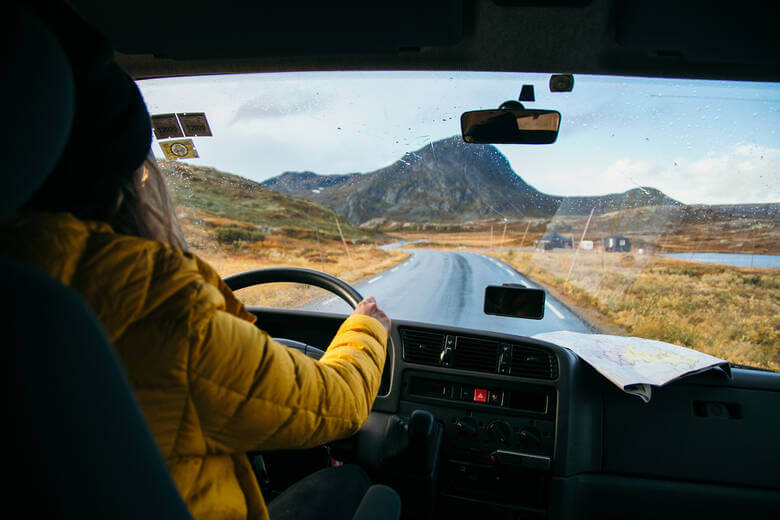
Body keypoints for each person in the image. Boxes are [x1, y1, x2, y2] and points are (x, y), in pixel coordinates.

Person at [1, 5, 391, 520]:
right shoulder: (161, 305)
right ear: (121, 181)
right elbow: (334, 404)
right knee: (364, 487)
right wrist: (365, 330)